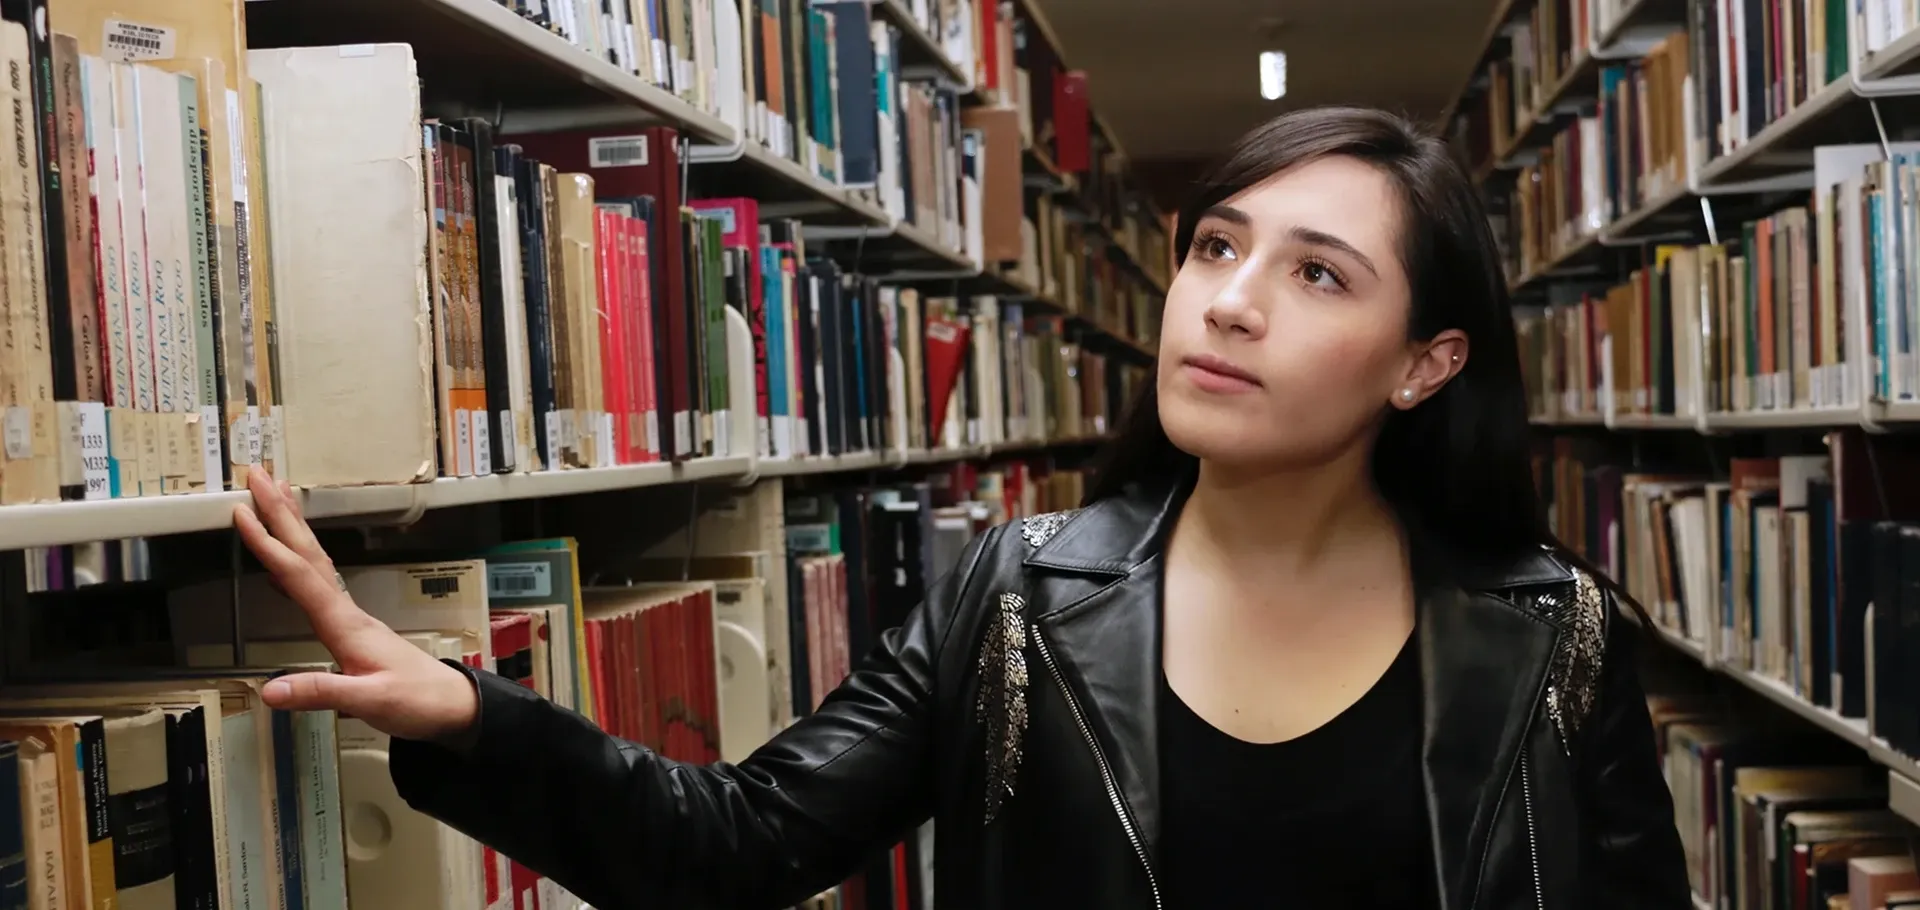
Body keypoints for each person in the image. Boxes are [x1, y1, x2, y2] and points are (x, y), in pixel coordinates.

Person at [233, 105, 1691, 909]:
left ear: (1428, 363)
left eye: (1316, 274)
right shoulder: (1015, 596)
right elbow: (736, 845)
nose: (1230, 303)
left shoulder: (1550, 635)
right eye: (1215, 246)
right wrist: (472, 716)